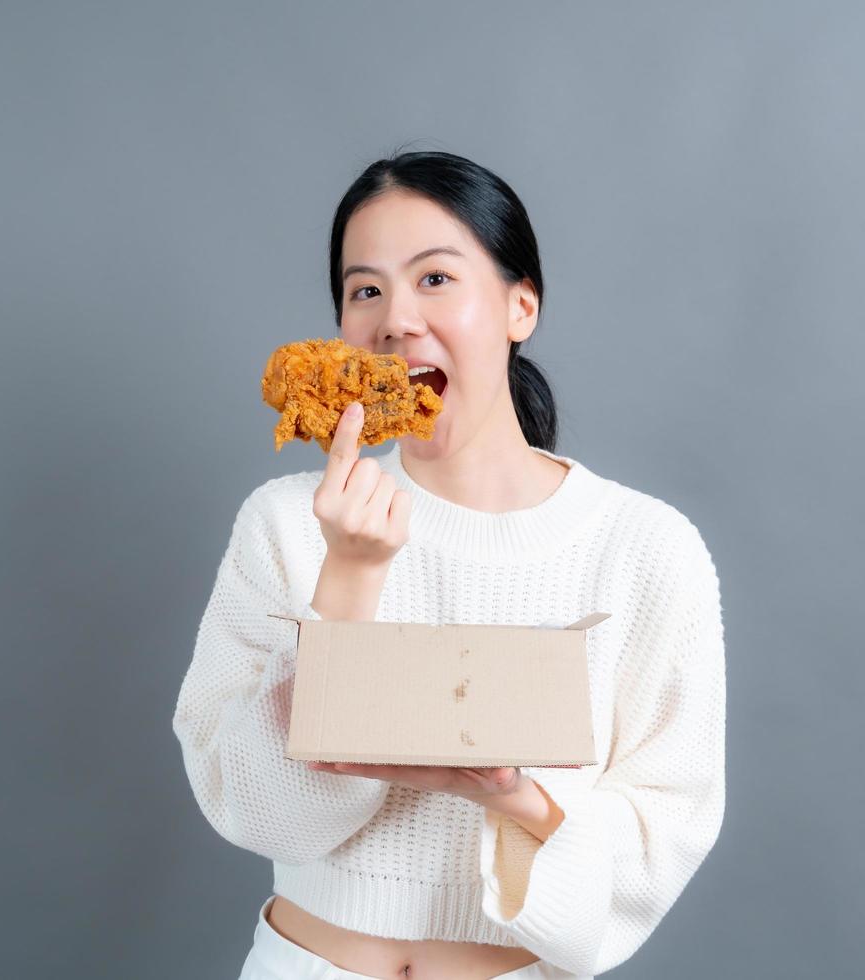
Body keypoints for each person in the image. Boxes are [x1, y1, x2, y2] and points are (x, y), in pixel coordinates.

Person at [174, 150, 726, 979]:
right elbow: (257, 812)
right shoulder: (289, 523)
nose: (396, 318)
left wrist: (506, 792)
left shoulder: (644, 549)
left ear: (520, 305)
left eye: (435, 279)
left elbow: (666, 827)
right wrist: (349, 582)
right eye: (366, 290)